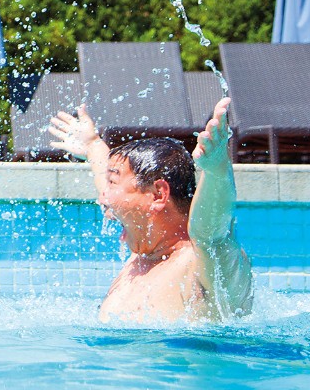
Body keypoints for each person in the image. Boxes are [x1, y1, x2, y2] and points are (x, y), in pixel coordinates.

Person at [48, 97, 253, 323]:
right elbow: (107, 183)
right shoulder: (144, 254)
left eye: (113, 183)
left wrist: (216, 170)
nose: (103, 197)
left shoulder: (203, 264)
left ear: (158, 195)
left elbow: (210, 232)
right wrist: (93, 145)